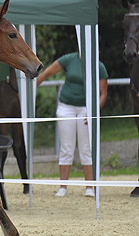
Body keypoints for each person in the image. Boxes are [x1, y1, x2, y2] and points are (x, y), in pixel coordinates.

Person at [36, 52, 108, 198]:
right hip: (66, 107)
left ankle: (90, 187)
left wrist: (94, 111)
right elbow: (45, 74)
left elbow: (103, 93)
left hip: (86, 109)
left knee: (86, 148)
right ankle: (63, 187)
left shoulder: (99, 66)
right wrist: (28, 93)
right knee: (66, 148)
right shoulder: (69, 59)